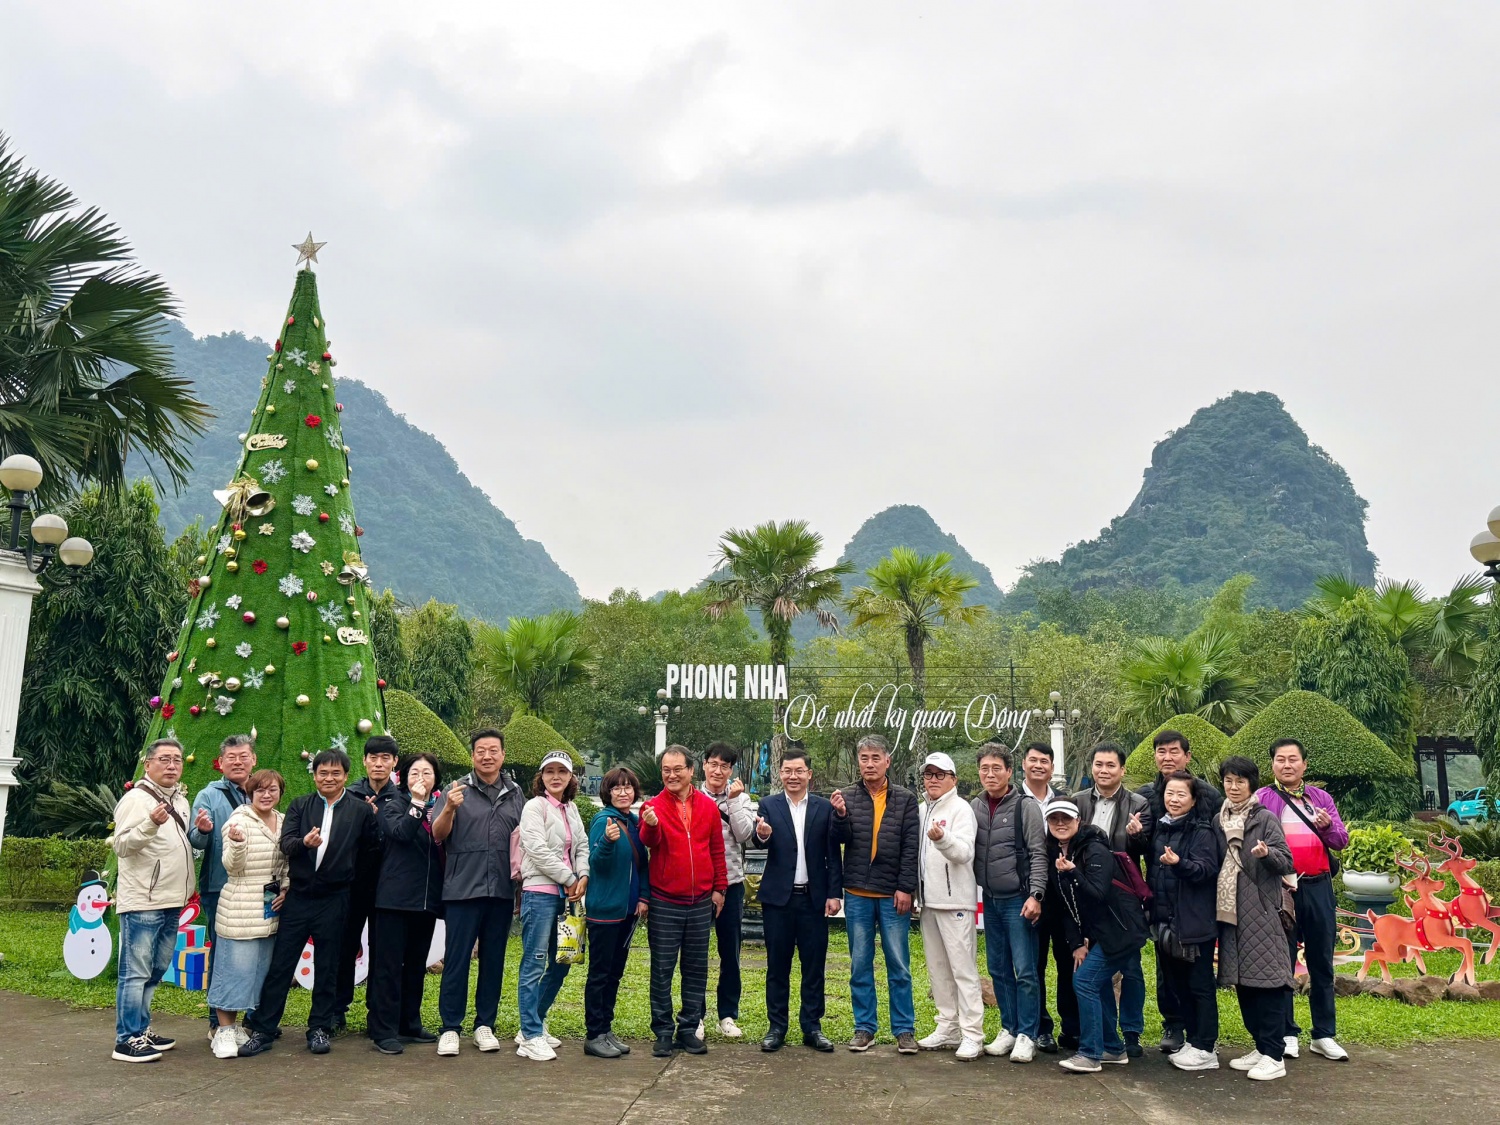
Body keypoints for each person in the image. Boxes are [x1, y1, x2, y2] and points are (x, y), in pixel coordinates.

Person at [239, 749, 381, 1057]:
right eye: (323, 773)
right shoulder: (301, 806)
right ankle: (264, 1029)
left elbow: (370, 853)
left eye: (336, 773)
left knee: (328, 964)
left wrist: (350, 883)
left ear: (345, 775)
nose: (329, 779)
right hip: (300, 896)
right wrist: (305, 843)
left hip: (336, 898)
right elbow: (286, 844)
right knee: (281, 964)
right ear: (314, 775)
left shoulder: (359, 810)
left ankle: (319, 1027)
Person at [431, 727, 525, 1057]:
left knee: (493, 960)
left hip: (501, 890)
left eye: (493, 750)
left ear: (502, 755)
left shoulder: (516, 794)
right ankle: (450, 1028)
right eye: (481, 750)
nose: (487, 756)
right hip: (461, 891)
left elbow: (523, 842)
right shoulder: (455, 790)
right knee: (456, 960)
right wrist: (450, 809)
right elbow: (438, 834)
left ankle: (485, 1024)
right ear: (472, 755)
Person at [1256, 737, 1350, 1064]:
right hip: (1282, 890)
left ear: (1304, 764)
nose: (1287, 765)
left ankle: (1324, 1034)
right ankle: (1286, 1033)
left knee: (1321, 961)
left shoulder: (1320, 798)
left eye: (1293, 759)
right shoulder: (1263, 799)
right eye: (1280, 759)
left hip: (1319, 886)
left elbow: (1341, 840)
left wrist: (1326, 828)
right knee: (1282, 963)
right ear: (1272, 765)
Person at [1044, 800, 1151, 1074]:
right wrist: (1077, 943)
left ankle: (1090, 1053)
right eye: (1054, 818)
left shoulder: (1094, 849)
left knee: (1085, 981)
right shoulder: (1055, 852)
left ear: (1078, 821)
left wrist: (1072, 873)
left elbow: (1097, 894)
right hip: (1100, 933)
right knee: (1099, 985)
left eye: (1065, 819)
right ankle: (1113, 1049)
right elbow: (1066, 906)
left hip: (1122, 929)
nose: (1060, 824)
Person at [831, 733, 921, 1054]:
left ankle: (904, 1029)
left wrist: (905, 887)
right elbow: (841, 838)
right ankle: (864, 1027)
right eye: (864, 758)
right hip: (857, 892)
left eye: (875, 758)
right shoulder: (848, 796)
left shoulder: (905, 799)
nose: (869, 764)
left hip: (892, 893)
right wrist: (839, 815)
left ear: (887, 761)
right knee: (859, 963)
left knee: (898, 962)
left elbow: (911, 847)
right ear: (859, 762)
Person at [108, 738, 198, 1062]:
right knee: (135, 972)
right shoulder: (135, 800)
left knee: (156, 970)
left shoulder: (181, 801)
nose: (171, 765)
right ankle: (126, 1038)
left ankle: (141, 1029)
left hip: (172, 900)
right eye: (164, 759)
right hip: (143, 902)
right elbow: (120, 845)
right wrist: (150, 823)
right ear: (148, 765)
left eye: (177, 759)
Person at [1134, 729, 1223, 1053]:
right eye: (1161, 751)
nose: (1167, 757)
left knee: (1197, 974)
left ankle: (1202, 1039)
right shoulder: (1144, 797)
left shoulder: (1209, 796)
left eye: (1174, 751)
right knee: (1166, 969)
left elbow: (1215, 851)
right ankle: (1173, 1025)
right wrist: (1135, 835)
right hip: (1160, 895)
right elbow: (1141, 845)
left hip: (1195, 899)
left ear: (1187, 756)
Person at [639, 745, 727, 1057]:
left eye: (678, 769)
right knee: (662, 969)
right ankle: (662, 1031)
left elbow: (717, 848)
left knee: (696, 968)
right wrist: (650, 825)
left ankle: (689, 1028)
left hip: (701, 901)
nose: (672, 775)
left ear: (691, 771)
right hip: (664, 901)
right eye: (666, 770)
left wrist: (720, 888)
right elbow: (649, 841)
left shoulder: (707, 806)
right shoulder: (652, 806)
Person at [754, 745, 842, 1054]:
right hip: (778, 900)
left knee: (814, 966)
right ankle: (776, 1027)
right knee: (777, 966)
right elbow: (758, 839)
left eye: (799, 771)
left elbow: (833, 853)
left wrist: (834, 893)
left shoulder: (823, 807)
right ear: (780, 773)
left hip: (814, 900)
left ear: (809, 774)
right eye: (787, 771)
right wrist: (762, 833)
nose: (793, 776)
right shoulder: (767, 804)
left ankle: (812, 1027)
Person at [1215, 756, 1296, 1082]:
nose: (1233, 787)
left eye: (1240, 781)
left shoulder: (1264, 819)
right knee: (1244, 983)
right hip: (1231, 913)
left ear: (1251, 784)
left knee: (1269, 984)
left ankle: (1275, 1054)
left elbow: (1285, 860)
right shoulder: (1218, 818)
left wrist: (1267, 854)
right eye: (1229, 781)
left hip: (1260, 912)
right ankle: (1262, 1047)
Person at [1071, 743, 1151, 1057]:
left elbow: (1146, 848)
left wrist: (1137, 835)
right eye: (1099, 764)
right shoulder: (1078, 802)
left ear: (1122, 770)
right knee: (1097, 969)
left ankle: (1131, 1032)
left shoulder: (1138, 803)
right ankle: (1107, 1037)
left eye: (1111, 765)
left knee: (1130, 968)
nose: (1104, 771)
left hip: (1122, 897)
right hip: (1090, 895)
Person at [971, 742, 1046, 1062]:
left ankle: (1028, 1033)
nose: (990, 774)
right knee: (997, 969)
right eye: (985, 768)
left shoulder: (1024, 806)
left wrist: (1036, 894)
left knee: (1026, 970)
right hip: (990, 899)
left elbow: (1038, 852)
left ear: (1009, 772)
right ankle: (1009, 1028)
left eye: (996, 768)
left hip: (1019, 900)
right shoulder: (974, 805)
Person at [367, 751, 445, 1055]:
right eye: (414, 773)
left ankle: (409, 1022)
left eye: (427, 773)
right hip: (393, 899)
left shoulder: (441, 807)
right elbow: (400, 834)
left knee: (415, 965)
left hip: (425, 901)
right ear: (403, 777)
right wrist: (416, 802)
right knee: (388, 966)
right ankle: (382, 1029)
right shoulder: (392, 804)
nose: (421, 779)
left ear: (436, 778)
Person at [207, 769, 288, 1059]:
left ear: (280, 792)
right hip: (240, 901)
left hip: (270, 901)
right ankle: (224, 1031)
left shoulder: (282, 821)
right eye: (260, 791)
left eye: (273, 790)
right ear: (250, 794)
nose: (266, 795)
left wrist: (285, 889)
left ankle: (241, 1025)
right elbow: (231, 866)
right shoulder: (239, 820)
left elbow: (287, 863)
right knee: (234, 969)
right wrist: (238, 843)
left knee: (259, 970)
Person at [1148, 771, 1225, 1072]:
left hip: (1194, 923)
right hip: (1166, 921)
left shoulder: (1201, 831)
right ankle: (1193, 1041)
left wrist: (1179, 864)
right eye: (1170, 793)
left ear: (1193, 800)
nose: (1174, 799)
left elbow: (1206, 870)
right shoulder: (1161, 828)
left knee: (1200, 986)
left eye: (1181, 794)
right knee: (1178, 985)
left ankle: (1206, 1046)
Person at [517, 750, 590, 1062]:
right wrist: (570, 876)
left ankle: (535, 1020)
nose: (556, 776)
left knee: (562, 961)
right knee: (534, 963)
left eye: (562, 771)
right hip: (540, 892)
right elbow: (535, 847)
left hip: (568, 896)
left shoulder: (571, 809)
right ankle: (530, 1035)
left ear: (571, 777)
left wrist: (583, 875)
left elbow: (583, 845)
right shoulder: (535, 807)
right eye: (550, 772)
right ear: (541, 777)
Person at [914, 752, 984, 1060]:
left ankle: (972, 1034)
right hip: (929, 902)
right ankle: (948, 1026)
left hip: (956, 901)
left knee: (963, 970)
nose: (933, 780)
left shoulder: (961, 809)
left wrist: (943, 839)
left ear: (953, 779)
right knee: (938, 970)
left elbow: (964, 853)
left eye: (940, 775)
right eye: (929, 775)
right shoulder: (920, 811)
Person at [334, 734, 403, 1035]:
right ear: (363, 760)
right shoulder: (348, 795)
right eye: (373, 758)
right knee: (344, 947)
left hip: (388, 886)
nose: (378, 763)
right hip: (352, 884)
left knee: (383, 950)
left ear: (394, 762)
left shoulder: (401, 797)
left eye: (385, 758)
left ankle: (377, 1013)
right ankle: (337, 1010)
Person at [188, 733, 256, 1037]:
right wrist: (202, 831)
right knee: (223, 952)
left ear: (253, 759)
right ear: (221, 763)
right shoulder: (208, 795)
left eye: (244, 756)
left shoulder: (262, 791)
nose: (238, 761)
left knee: (256, 951)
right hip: (220, 887)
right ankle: (218, 1023)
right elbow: (195, 840)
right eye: (231, 757)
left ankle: (254, 1018)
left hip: (257, 887)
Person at [584, 766, 651, 1059]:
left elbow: (643, 865)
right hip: (605, 911)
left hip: (628, 911)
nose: (623, 792)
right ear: (607, 793)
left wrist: (644, 897)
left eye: (628, 787)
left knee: (615, 974)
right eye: (616, 788)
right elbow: (595, 864)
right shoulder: (604, 821)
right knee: (599, 974)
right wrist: (609, 842)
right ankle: (593, 1033)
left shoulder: (634, 823)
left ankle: (606, 1029)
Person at [700, 741, 756, 1040]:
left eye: (725, 766)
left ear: (731, 770)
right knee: (696, 953)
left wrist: (733, 801)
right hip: (697, 887)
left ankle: (727, 1015)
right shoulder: (692, 797)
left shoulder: (742, 798)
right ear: (704, 765)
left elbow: (745, 835)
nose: (718, 770)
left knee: (730, 952)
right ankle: (695, 1015)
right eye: (713, 764)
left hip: (732, 884)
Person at [1021, 741, 1069, 1053]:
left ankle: (1072, 1028)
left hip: (1063, 898)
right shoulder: (1013, 800)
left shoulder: (1064, 801)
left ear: (1052, 767)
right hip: (1029, 897)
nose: (1039, 765)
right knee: (1032, 966)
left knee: (1067, 964)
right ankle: (1040, 1027)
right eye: (1033, 760)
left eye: (1044, 761)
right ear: (1023, 765)